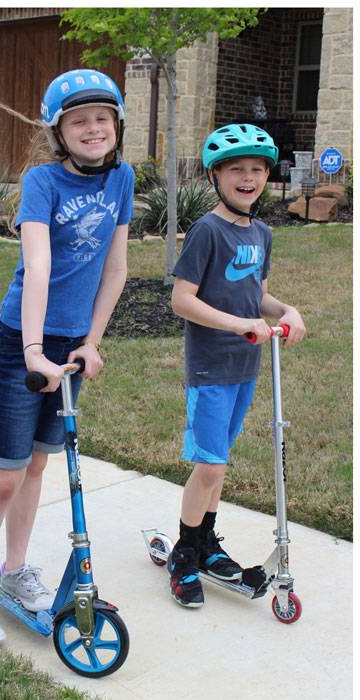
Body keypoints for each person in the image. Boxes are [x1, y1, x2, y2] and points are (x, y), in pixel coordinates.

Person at [0, 69, 134, 642]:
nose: (93, 129)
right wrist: (33, 351)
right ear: (58, 131)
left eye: (102, 118)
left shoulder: (122, 178)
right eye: (79, 121)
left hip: (71, 345)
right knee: (6, 474)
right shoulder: (42, 182)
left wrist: (91, 341)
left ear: (117, 125)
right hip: (20, 342)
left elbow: (116, 268)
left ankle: (15, 568)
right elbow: (38, 268)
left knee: (36, 466)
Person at [166, 123, 306, 607]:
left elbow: (259, 297)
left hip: (245, 365)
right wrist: (237, 324)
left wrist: (287, 311)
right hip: (211, 366)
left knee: (219, 464)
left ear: (267, 175)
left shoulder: (262, 233)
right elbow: (182, 300)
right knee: (209, 465)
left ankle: (206, 541)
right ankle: (184, 554)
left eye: (256, 169)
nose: (248, 178)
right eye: (236, 170)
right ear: (215, 176)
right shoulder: (207, 230)